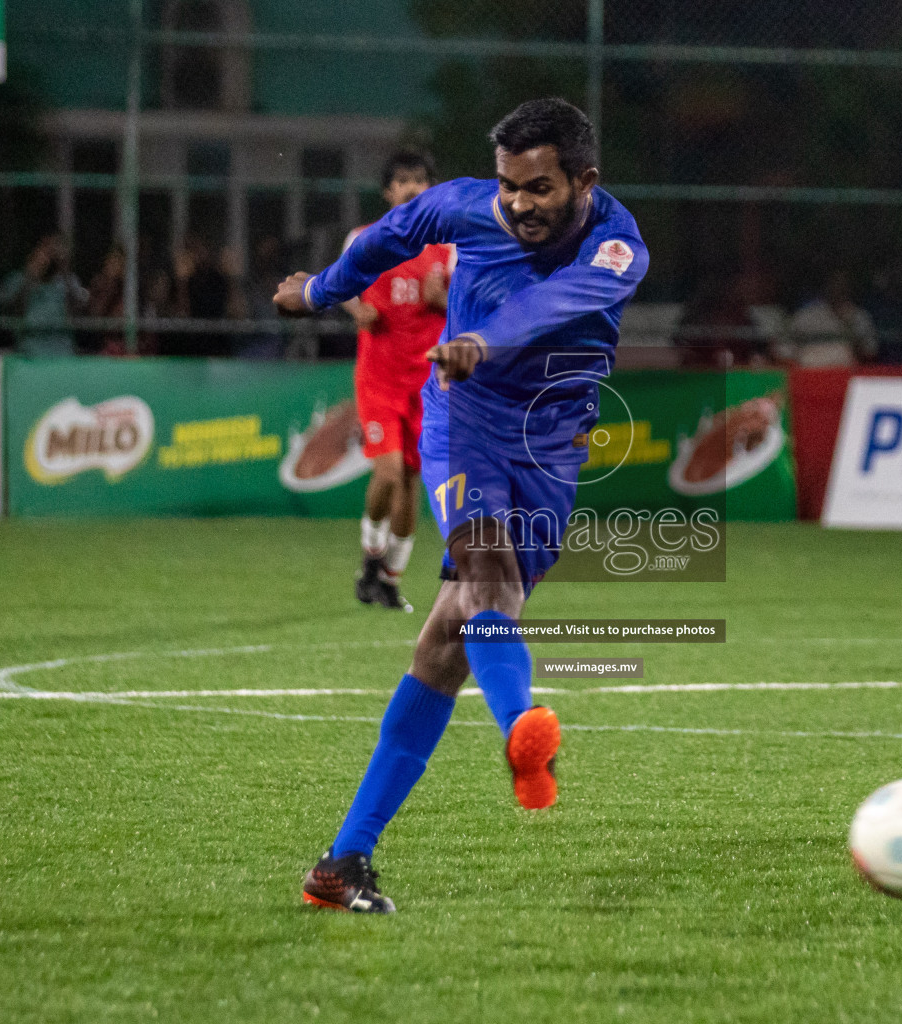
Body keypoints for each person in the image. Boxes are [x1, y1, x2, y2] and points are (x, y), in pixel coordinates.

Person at [274, 98, 647, 914]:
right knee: (488, 579)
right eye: (511, 187)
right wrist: (320, 291)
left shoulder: (619, 247)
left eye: (540, 188)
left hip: (551, 451)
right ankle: (522, 730)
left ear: (585, 181)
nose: (518, 205)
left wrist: (488, 338)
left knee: (446, 643)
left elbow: (550, 306)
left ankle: (341, 866)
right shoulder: (463, 203)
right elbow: (385, 239)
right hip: (463, 420)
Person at [340, 150, 453, 613]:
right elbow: (338, 284)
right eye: (403, 180)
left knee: (411, 484)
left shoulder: (448, 249)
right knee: (386, 473)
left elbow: (470, 311)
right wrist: (357, 309)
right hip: (379, 378)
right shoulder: (365, 239)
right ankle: (371, 558)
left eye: (420, 180)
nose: (411, 187)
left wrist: (442, 298)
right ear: (388, 192)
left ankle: (388, 578)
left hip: (426, 385)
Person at [0, 235, 88, 357]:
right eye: (45, 251)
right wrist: (31, 275)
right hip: (29, 349)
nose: (49, 257)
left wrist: (64, 269)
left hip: (62, 349)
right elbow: (11, 311)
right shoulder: (18, 280)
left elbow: (79, 311)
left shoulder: (69, 281)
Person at [786, 270, 877, 366]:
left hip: (846, 372)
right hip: (809, 371)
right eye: (834, 284)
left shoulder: (859, 316)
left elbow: (870, 352)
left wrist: (850, 328)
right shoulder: (806, 315)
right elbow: (784, 348)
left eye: (842, 285)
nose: (838, 289)